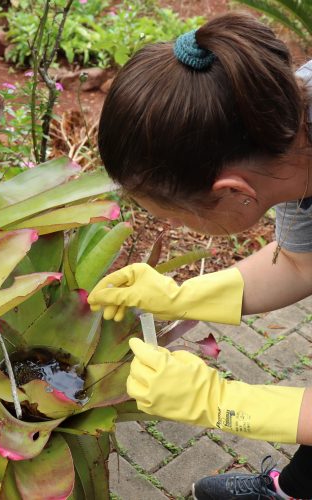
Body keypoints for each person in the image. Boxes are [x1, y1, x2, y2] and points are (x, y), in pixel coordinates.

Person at [87, 11, 312, 500]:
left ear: (234, 191)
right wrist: (180, 296)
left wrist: (219, 402)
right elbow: (301, 262)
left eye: (178, 216)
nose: (175, 227)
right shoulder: (284, 121)